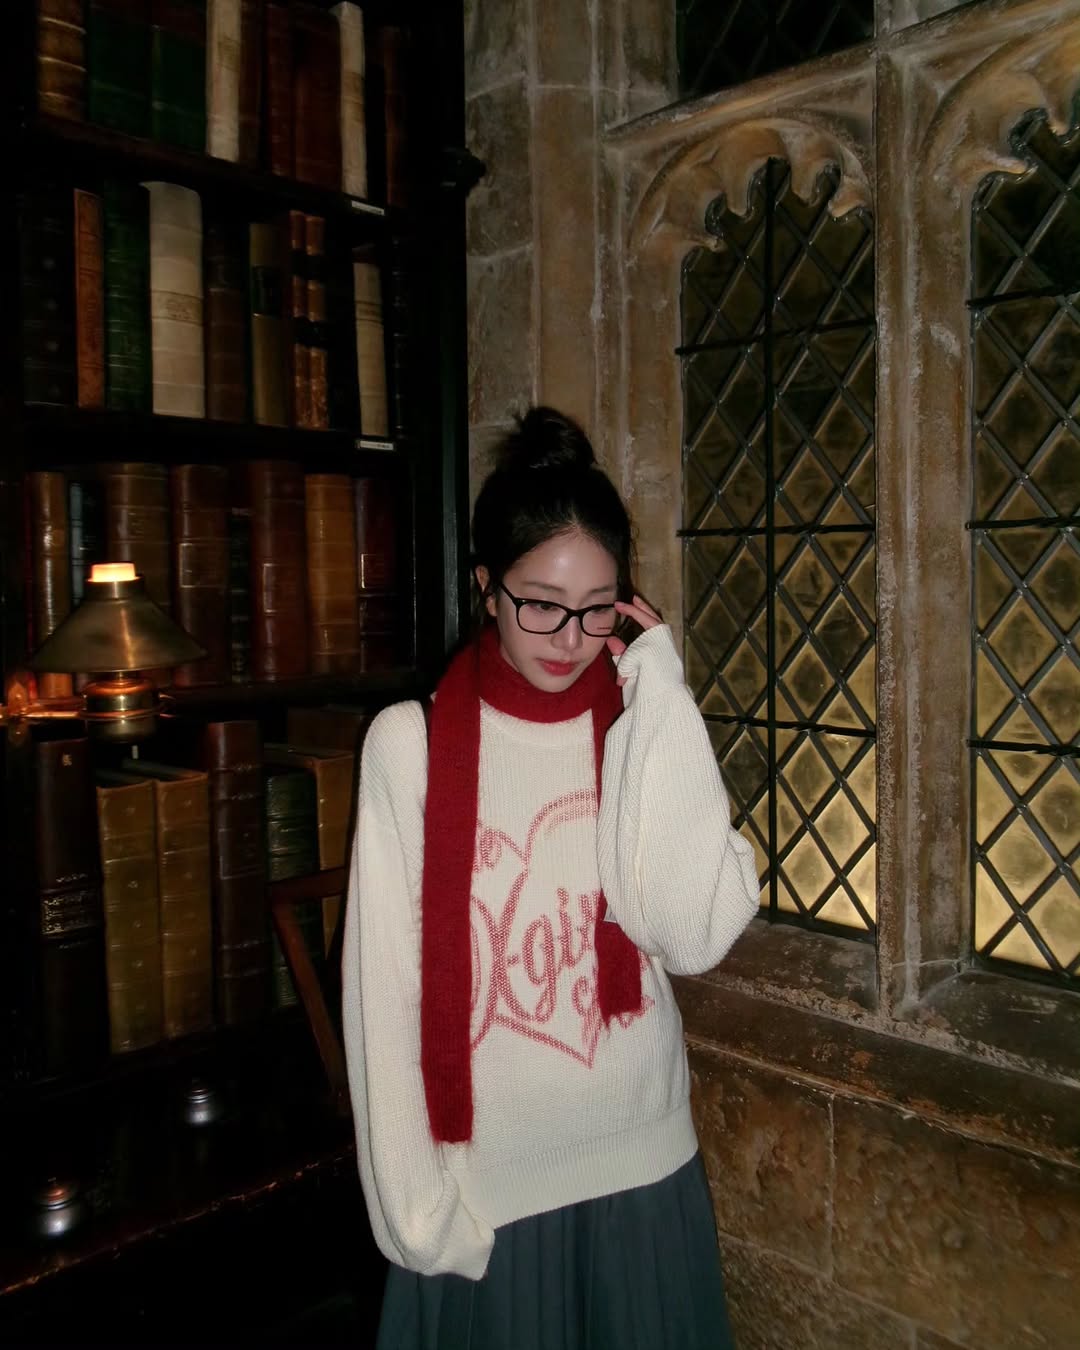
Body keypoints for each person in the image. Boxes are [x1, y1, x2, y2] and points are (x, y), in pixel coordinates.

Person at [342, 406, 759, 1349]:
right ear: (487, 586)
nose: (570, 638)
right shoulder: (410, 746)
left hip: (641, 1162)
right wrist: (417, 1215)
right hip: (491, 1193)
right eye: (540, 602)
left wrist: (663, 688)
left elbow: (690, 935)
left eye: (597, 607)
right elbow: (382, 990)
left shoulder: (638, 724)